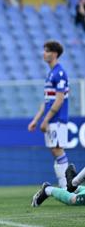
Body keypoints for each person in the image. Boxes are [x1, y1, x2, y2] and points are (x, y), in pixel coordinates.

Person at [28, 40, 69, 189]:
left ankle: (66, 185)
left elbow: (59, 100)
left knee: (57, 149)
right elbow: (46, 101)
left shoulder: (59, 73)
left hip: (57, 119)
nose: (43, 53)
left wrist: (45, 120)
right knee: (55, 150)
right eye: (44, 50)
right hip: (52, 119)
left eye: (47, 50)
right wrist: (35, 120)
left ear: (55, 53)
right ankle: (65, 183)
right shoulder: (51, 74)